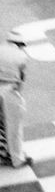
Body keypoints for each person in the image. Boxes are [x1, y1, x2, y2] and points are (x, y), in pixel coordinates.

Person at [0, 32, 31, 168]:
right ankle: (17, 159)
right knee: (14, 125)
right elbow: (21, 80)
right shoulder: (22, 56)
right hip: (9, 90)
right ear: (20, 44)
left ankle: (2, 152)